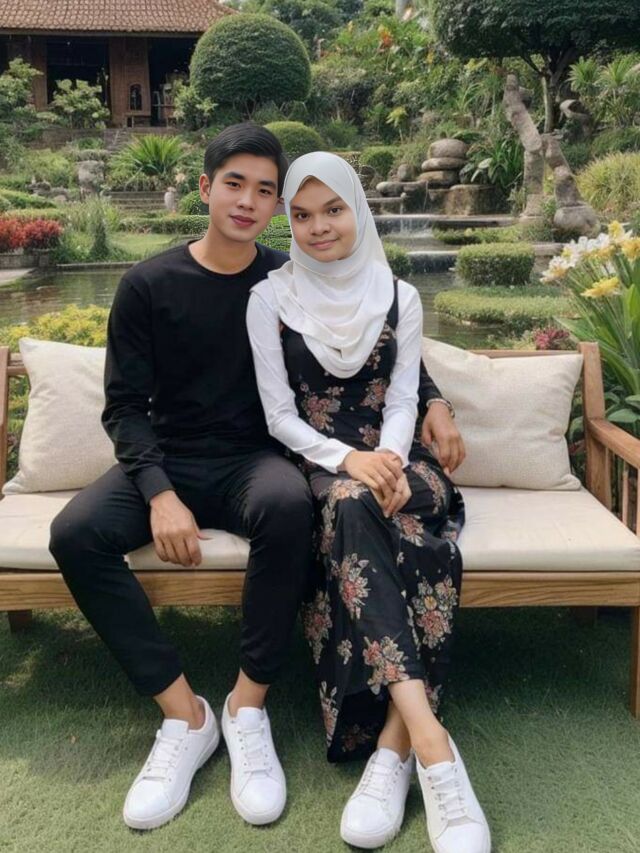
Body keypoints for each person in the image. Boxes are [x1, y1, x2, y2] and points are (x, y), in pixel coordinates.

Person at [48, 124, 314, 831]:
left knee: (290, 507)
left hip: (253, 459)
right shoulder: (149, 283)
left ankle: (246, 706)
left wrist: (432, 399)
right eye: (235, 184)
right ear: (204, 188)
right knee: (75, 533)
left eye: (265, 190)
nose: (248, 201)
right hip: (168, 456)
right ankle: (185, 715)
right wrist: (160, 493)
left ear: (277, 204)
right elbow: (124, 408)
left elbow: (372, 324)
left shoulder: (291, 280)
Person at [247, 151, 491, 852]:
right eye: (302, 215)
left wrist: (389, 459)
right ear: (289, 222)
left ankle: (395, 745)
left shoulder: (399, 295)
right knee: (355, 506)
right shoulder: (269, 299)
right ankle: (427, 741)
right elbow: (278, 416)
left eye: (333, 209)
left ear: (357, 208)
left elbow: (406, 396)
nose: (319, 226)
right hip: (324, 466)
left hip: (400, 461)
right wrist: (352, 461)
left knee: (385, 513)